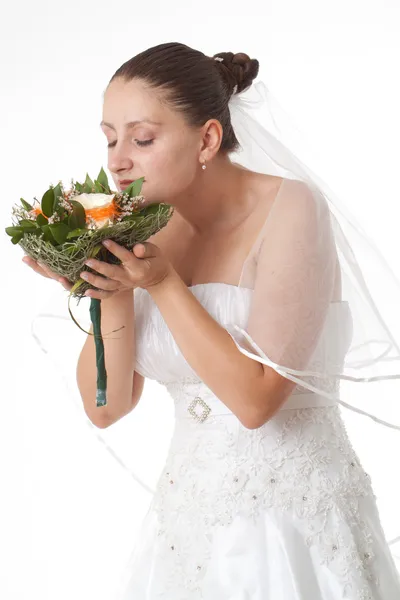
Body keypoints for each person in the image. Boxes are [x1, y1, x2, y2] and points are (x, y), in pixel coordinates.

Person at [24, 42, 400, 599]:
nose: (117, 160)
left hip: (291, 520)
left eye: (142, 138)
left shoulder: (291, 209)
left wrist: (161, 284)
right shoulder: (145, 231)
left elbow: (256, 401)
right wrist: (104, 286)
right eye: (110, 138)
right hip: (187, 526)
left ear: (207, 139)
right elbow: (106, 407)